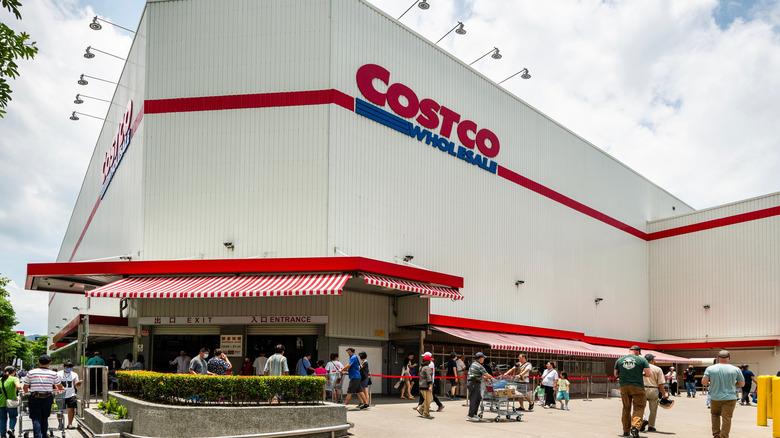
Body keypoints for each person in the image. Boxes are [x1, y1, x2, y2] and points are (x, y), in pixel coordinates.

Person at [702, 350, 744, 438]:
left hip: (715, 397)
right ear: (729, 358)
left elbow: (704, 382)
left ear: (717, 358)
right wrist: (734, 384)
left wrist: (712, 383)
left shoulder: (710, 369)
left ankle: (716, 434)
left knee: (715, 415)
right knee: (727, 417)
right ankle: (724, 436)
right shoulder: (736, 369)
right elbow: (742, 384)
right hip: (730, 398)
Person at [22, 355, 64, 438]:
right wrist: (62, 388)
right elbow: (60, 386)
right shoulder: (53, 373)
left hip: (34, 398)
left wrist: (28, 393)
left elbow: (25, 387)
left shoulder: (31, 372)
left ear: (38, 362)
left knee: (36, 418)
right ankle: (44, 435)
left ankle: (38, 436)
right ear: (49, 363)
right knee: (45, 418)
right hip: (47, 398)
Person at [614, 345, 652, 438]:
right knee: (639, 407)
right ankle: (635, 428)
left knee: (626, 408)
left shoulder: (619, 360)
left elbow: (615, 374)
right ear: (638, 351)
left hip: (624, 387)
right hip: (637, 386)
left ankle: (625, 431)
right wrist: (641, 374)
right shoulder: (642, 360)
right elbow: (649, 374)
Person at [640, 354, 668, 433]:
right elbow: (661, 383)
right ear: (652, 360)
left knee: (641, 407)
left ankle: (643, 420)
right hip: (653, 390)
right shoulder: (658, 369)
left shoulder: (640, 368)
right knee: (653, 410)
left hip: (642, 389)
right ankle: (651, 426)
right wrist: (664, 394)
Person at [466, 352, 492, 422]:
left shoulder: (473, 364)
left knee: (477, 398)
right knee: (474, 399)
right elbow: (487, 375)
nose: (483, 359)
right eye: (483, 358)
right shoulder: (479, 366)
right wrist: (492, 378)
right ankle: (470, 415)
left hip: (472, 383)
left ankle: (474, 414)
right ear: (480, 358)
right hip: (474, 383)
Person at [57, 361, 81, 429]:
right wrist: (58, 390)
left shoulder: (74, 374)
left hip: (71, 394)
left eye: (70, 367)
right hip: (60, 394)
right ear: (64, 367)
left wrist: (78, 384)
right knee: (59, 410)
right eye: (67, 367)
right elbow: (55, 383)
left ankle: (69, 424)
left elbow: (76, 383)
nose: (69, 369)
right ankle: (60, 424)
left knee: (71, 409)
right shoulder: (58, 374)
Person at [1, 366, 22, 438]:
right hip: (11, 402)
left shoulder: (0, 379)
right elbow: (19, 387)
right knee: (13, 417)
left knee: (2, 419)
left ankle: (3, 435)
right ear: (13, 372)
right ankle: (11, 429)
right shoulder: (14, 379)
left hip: (1, 403)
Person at [416, 353, 434, 418]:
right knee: (428, 399)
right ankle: (425, 413)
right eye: (430, 360)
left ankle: (421, 408)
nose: (430, 362)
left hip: (421, 385)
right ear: (428, 361)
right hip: (426, 386)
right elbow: (429, 377)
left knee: (427, 399)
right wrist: (430, 386)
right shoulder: (427, 368)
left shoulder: (421, 367)